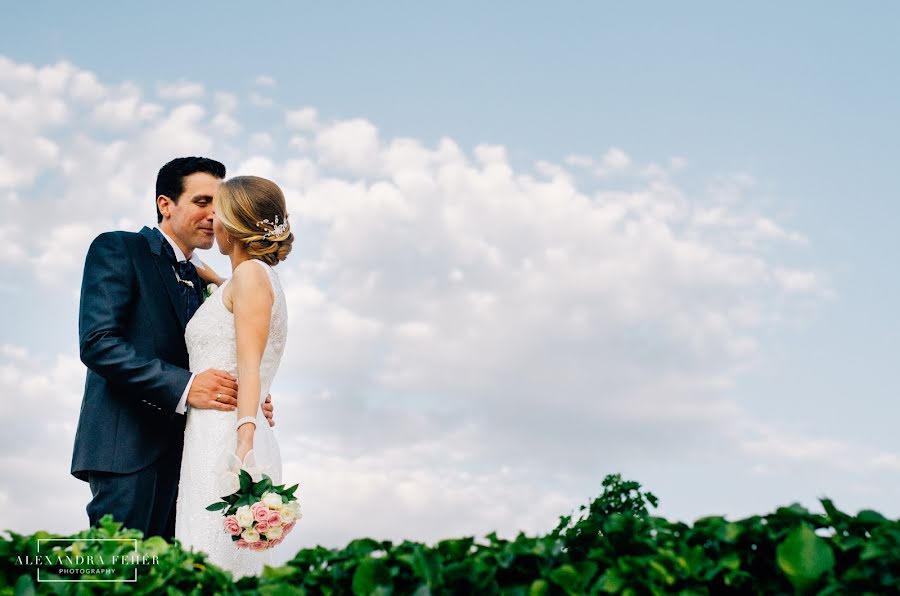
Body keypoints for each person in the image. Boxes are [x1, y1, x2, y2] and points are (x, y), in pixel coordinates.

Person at [71, 157, 275, 540]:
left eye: (220, 205)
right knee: (117, 572)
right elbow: (98, 343)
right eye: (202, 202)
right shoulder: (119, 248)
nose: (214, 214)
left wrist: (248, 392)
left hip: (193, 457)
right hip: (128, 447)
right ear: (166, 204)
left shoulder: (208, 285)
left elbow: (217, 352)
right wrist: (186, 386)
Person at [175, 175, 292, 579]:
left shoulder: (250, 278)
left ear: (233, 224)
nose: (212, 220)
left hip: (224, 438)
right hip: (219, 429)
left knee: (212, 560)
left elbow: (247, 364)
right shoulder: (253, 279)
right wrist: (212, 277)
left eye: (218, 212)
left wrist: (243, 442)